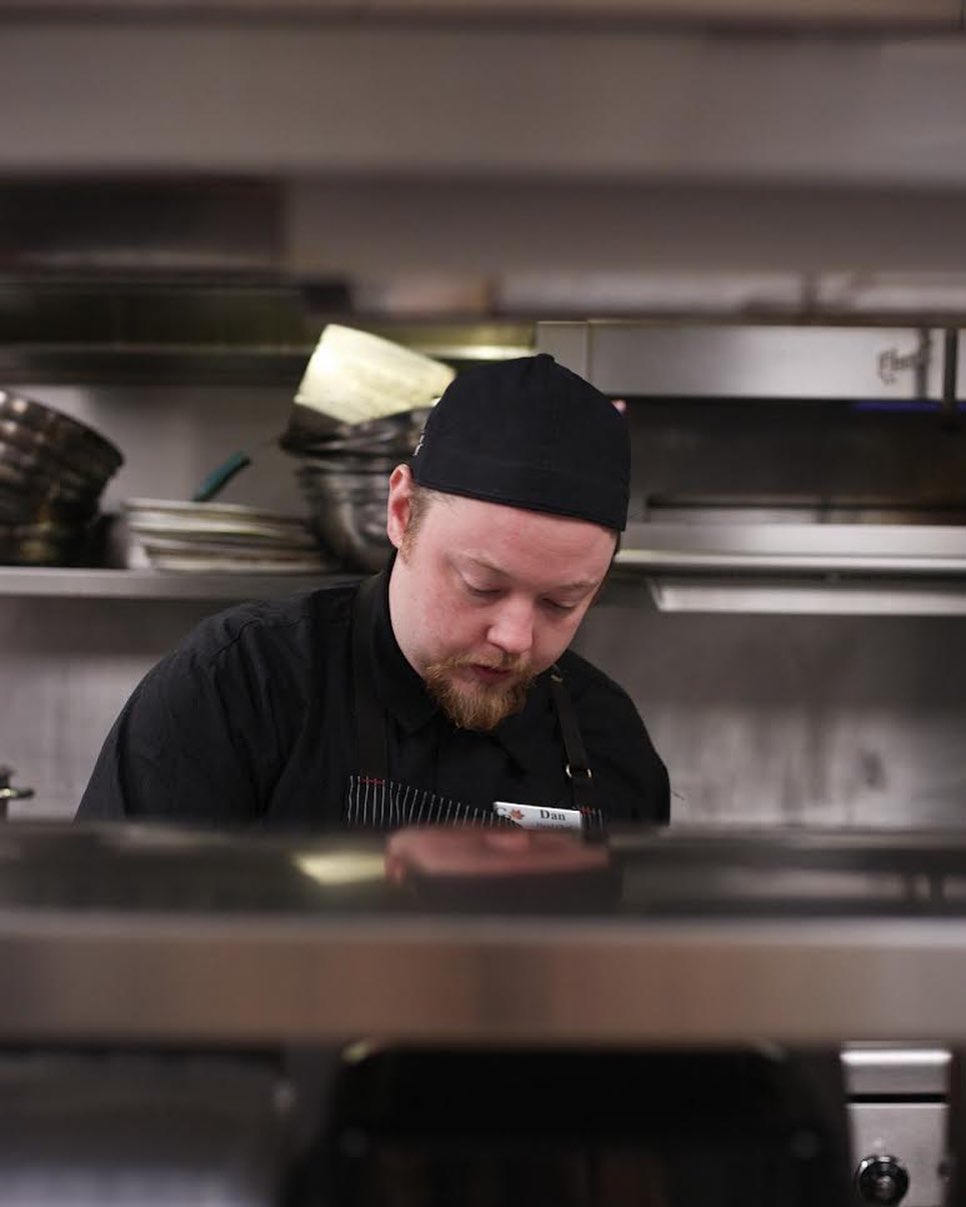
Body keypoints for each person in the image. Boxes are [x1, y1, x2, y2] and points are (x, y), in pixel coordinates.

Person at [76, 354, 669, 830]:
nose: (515, 638)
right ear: (402, 512)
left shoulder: (607, 736)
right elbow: (116, 926)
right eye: (481, 586)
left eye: (561, 603)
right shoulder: (241, 685)